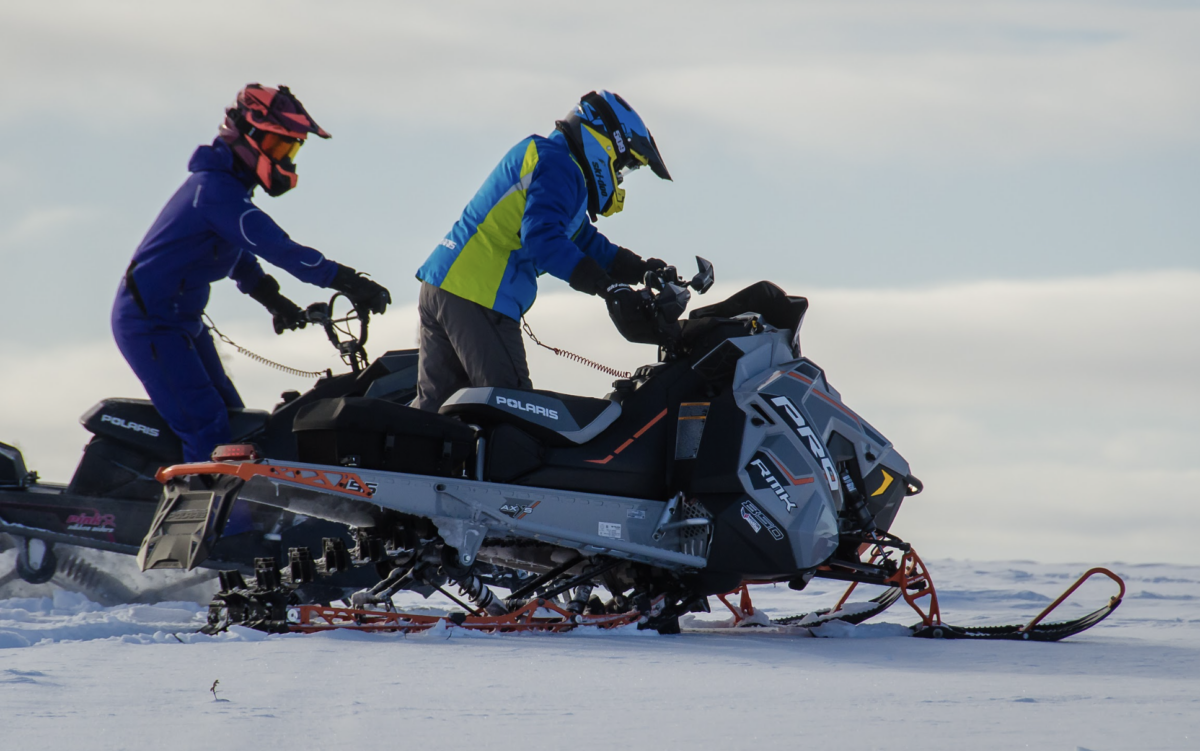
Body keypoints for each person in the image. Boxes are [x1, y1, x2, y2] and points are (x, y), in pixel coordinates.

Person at [112, 83, 391, 463]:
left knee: (236, 422)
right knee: (207, 426)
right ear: (249, 136)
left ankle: (247, 515)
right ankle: (218, 520)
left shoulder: (228, 191)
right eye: (280, 146)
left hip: (182, 321)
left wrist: (271, 299)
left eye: (291, 150)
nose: (286, 158)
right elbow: (277, 246)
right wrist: (349, 281)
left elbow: (234, 252)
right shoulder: (215, 191)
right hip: (151, 325)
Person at [412, 90, 673, 412]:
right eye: (623, 166)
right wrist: (608, 288)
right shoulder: (560, 165)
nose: (619, 178)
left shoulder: (553, 160)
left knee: (434, 413)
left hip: (443, 285)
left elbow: (584, 241)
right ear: (605, 145)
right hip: (478, 293)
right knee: (509, 409)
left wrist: (642, 270)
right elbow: (543, 240)